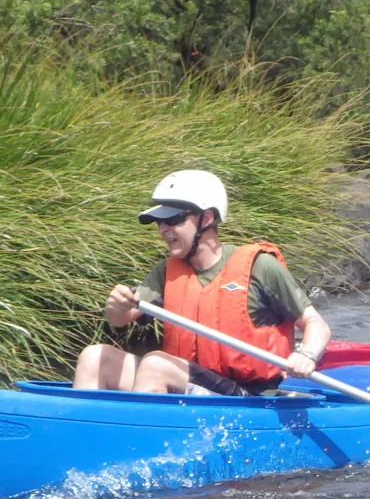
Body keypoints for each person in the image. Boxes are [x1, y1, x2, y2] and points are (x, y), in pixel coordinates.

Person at [73, 170, 331, 396]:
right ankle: (78, 438)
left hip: (248, 395)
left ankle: (143, 444)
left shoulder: (260, 266)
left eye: (173, 220)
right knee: (95, 357)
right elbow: (121, 318)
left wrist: (306, 355)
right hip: (191, 380)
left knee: (156, 365)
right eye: (159, 221)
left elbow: (315, 324)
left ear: (206, 219)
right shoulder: (166, 272)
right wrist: (117, 306)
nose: (162, 229)